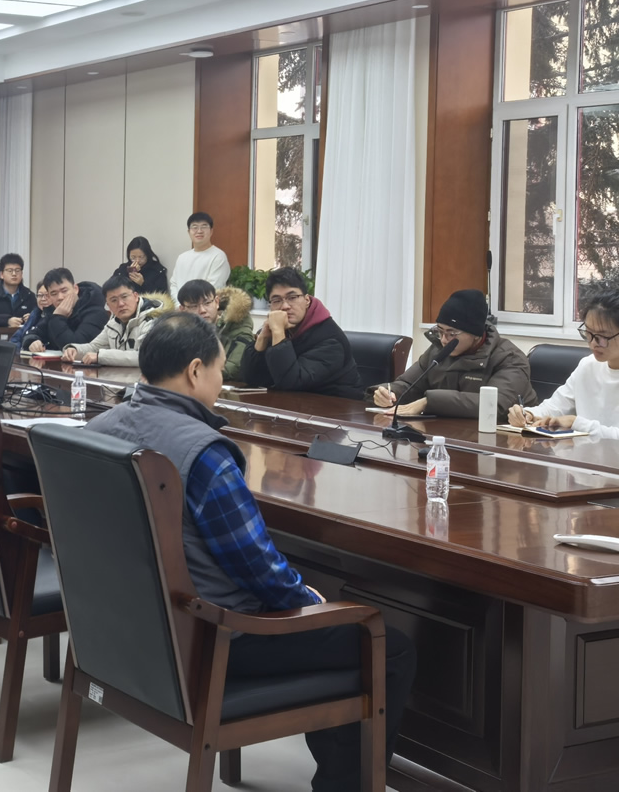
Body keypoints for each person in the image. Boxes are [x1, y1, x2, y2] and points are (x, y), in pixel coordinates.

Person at [84, 313, 414, 790]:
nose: (222, 381)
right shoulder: (204, 453)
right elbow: (257, 566)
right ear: (195, 371)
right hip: (213, 642)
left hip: (126, 633)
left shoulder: (97, 428)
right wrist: (310, 600)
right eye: (220, 370)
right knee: (383, 642)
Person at [507, 290, 619, 447]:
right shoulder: (588, 366)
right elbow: (555, 407)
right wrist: (529, 415)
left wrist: (577, 424)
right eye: (588, 333)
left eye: (603, 337)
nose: (593, 343)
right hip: (586, 467)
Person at [375, 290, 534, 421]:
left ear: (476, 335)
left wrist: (429, 402)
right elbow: (410, 384)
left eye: (452, 334)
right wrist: (389, 392)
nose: (444, 340)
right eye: (440, 331)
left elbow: (495, 405)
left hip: (506, 439)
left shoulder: (509, 358)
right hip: (448, 431)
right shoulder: (439, 350)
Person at [244, 267, 365, 399]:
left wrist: (278, 332)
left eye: (292, 297)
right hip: (294, 404)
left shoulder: (330, 340)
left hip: (337, 407)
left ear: (307, 300)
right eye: (276, 300)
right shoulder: (277, 330)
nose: (285, 306)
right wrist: (263, 337)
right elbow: (250, 378)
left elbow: (291, 382)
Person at [66, 276, 160, 367]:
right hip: (120, 376)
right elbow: (95, 347)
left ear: (135, 296)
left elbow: (144, 356)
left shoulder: (153, 320)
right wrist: (75, 350)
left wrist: (101, 357)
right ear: (108, 305)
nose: (120, 304)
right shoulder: (113, 323)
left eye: (124, 297)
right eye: (114, 300)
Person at [178, 279, 256, 384]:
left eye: (207, 303)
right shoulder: (177, 331)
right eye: (194, 306)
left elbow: (233, 368)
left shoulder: (236, 325)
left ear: (217, 302)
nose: (202, 310)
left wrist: (191, 373)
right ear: (182, 310)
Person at [26, 268, 111, 354]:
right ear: (49, 296)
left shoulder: (95, 312)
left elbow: (75, 347)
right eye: (54, 293)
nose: (60, 297)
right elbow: (32, 333)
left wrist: (58, 318)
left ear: (75, 289)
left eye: (64, 291)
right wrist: (32, 341)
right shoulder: (53, 310)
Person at [169, 212, 232, 294]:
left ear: (211, 231)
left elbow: (213, 288)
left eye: (204, 227)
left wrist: (190, 302)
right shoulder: (182, 257)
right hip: (179, 302)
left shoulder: (218, 256)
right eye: (194, 227)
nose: (199, 231)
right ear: (189, 232)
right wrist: (178, 302)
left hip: (205, 302)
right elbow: (174, 285)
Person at [0, 253, 37, 329]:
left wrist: (32, 318)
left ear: (22, 274)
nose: (14, 274)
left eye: (17, 270)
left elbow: (39, 316)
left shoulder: (29, 295)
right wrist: (7, 321)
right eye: (10, 270)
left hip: (23, 335)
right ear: (1, 274)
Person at [107, 236, 171, 300]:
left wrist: (143, 284)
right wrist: (129, 273)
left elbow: (161, 296)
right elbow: (110, 287)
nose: (137, 261)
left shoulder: (157, 270)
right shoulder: (123, 268)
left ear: (148, 255)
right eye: (133, 257)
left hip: (147, 305)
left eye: (141, 257)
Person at [10, 280, 51, 349]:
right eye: (40, 295)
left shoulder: (55, 317)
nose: (43, 299)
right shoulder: (34, 314)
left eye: (47, 295)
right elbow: (16, 338)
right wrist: (21, 349)